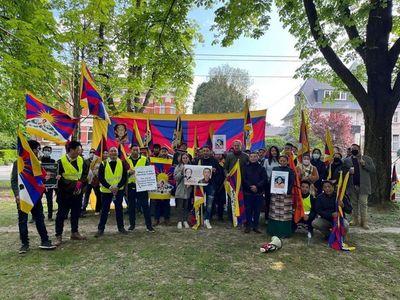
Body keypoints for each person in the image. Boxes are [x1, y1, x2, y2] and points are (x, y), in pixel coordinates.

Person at [11, 140, 56, 253]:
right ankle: (24, 244)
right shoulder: (19, 162)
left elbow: (40, 179)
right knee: (23, 220)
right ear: (31, 149)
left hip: (35, 196)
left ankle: (45, 241)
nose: (38, 151)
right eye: (37, 149)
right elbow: (14, 180)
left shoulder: (37, 163)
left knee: (40, 219)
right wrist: (17, 194)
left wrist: (50, 178)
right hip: (23, 197)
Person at [54, 141, 89, 246]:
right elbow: (59, 180)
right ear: (71, 150)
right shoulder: (60, 162)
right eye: (78, 149)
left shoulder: (81, 160)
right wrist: (74, 184)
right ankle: (58, 235)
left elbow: (84, 174)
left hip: (77, 193)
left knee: (76, 213)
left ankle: (74, 232)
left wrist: (80, 185)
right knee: (61, 215)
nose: (80, 151)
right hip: (64, 194)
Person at [94, 147, 128, 237]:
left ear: (117, 153)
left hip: (118, 190)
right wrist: (109, 187)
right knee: (105, 210)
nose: (113, 153)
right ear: (108, 153)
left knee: (119, 209)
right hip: (106, 191)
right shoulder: (103, 163)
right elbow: (101, 178)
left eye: (115, 151)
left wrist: (118, 186)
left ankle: (121, 228)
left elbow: (125, 177)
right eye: (111, 151)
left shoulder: (122, 162)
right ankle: (100, 229)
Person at [343, 144, 375, 229]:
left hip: (364, 186)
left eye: (356, 149)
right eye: (352, 149)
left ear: (359, 149)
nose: (354, 150)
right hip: (352, 186)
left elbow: (373, 169)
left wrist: (364, 165)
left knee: (363, 203)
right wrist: (348, 171)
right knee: (354, 203)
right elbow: (341, 170)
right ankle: (355, 220)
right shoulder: (347, 160)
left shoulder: (367, 158)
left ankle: (364, 222)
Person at [126, 144, 155, 232]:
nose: (135, 152)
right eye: (133, 150)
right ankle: (132, 225)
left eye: (137, 150)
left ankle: (149, 226)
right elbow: (122, 172)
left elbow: (149, 172)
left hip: (142, 186)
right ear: (131, 150)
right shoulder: (126, 160)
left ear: (139, 151)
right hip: (131, 186)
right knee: (131, 207)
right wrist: (128, 172)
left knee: (145, 206)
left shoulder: (144, 159)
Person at [267, 155, 295, 238]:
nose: (282, 162)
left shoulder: (290, 170)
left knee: (284, 214)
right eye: (281, 161)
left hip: (286, 195)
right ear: (279, 161)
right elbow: (272, 180)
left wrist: (287, 191)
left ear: (287, 162)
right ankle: (273, 231)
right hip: (275, 194)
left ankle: (284, 232)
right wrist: (273, 189)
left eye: (284, 161)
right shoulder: (275, 169)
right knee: (274, 213)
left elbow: (291, 182)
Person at [196, 145, 220, 229]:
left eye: (207, 150)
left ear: (210, 152)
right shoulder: (198, 160)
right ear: (202, 152)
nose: (205, 152)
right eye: (204, 151)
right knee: (199, 202)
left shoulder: (214, 161)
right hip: (200, 186)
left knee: (209, 204)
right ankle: (199, 218)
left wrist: (215, 171)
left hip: (211, 185)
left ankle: (207, 219)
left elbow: (219, 174)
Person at [243, 152, 267, 233]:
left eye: (255, 157)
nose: (253, 158)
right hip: (248, 192)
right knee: (248, 210)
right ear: (249, 158)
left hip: (258, 192)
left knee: (257, 210)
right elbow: (244, 179)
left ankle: (256, 226)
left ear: (257, 158)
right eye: (251, 157)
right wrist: (251, 186)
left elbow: (264, 179)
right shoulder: (245, 168)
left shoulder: (262, 168)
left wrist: (257, 186)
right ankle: (248, 226)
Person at [152, 147, 171, 226]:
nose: (164, 153)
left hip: (167, 185)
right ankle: (156, 219)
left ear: (167, 153)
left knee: (166, 203)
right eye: (162, 151)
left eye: (165, 151)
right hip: (157, 185)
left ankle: (166, 219)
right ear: (159, 152)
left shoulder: (171, 162)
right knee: (157, 203)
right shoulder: (154, 161)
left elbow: (172, 172)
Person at [174, 153, 193, 229]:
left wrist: (191, 184)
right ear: (181, 159)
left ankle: (185, 220)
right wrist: (181, 172)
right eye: (183, 158)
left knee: (186, 206)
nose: (185, 159)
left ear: (189, 159)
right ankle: (179, 221)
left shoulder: (192, 167)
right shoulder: (178, 167)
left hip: (188, 189)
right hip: (180, 189)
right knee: (180, 206)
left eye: (186, 158)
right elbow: (175, 178)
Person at [81, 148, 101, 216]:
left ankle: (98, 209)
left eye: (93, 152)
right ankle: (83, 208)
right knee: (86, 195)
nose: (92, 153)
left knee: (98, 195)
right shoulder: (86, 161)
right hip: (88, 181)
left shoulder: (98, 161)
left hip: (95, 181)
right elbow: (83, 171)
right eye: (91, 152)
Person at [263, 146, 280, 223]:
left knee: (276, 201)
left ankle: (275, 217)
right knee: (268, 201)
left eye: (275, 151)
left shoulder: (280, 160)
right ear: (270, 152)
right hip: (268, 183)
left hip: (278, 185)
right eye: (272, 151)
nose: (274, 152)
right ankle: (267, 218)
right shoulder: (266, 161)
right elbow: (264, 171)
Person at [41, 145, 56, 220]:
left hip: (50, 184)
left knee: (49, 200)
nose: (47, 152)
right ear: (42, 151)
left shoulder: (53, 161)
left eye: (48, 150)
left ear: (50, 152)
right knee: (37, 200)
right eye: (45, 150)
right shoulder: (39, 160)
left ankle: (50, 215)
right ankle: (37, 215)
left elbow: (55, 171)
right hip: (40, 184)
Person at [212, 153, 226, 221]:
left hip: (222, 185)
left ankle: (220, 216)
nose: (218, 156)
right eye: (217, 154)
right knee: (212, 201)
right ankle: (211, 215)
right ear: (214, 155)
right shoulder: (212, 161)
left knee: (221, 202)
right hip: (213, 184)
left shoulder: (224, 162)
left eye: (220, 154)